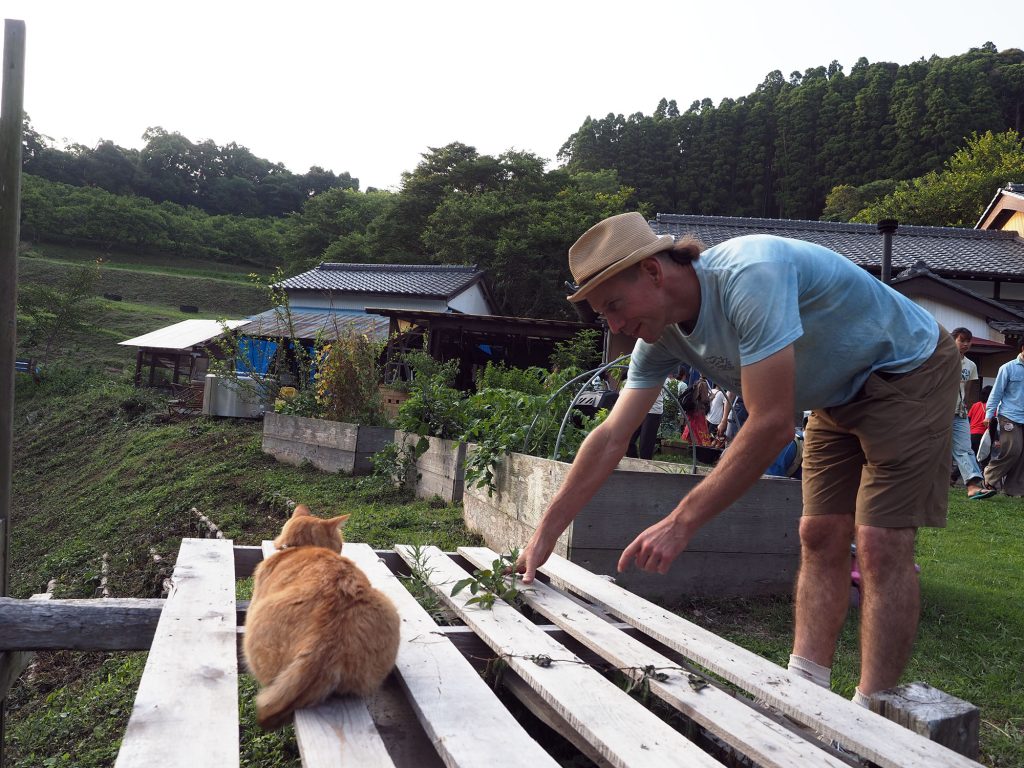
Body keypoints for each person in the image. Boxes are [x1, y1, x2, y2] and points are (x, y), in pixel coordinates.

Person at [515, 212, 959, 705]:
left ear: (655, 273)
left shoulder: (749, 276)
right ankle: (804, 694)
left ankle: (872, 712)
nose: (615, 325)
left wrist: (681, 521)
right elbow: (611, 436)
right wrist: (545, 533)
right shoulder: (659, 335)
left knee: (878, 542)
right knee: (818, 533)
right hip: (833, 392)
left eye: (615, 305)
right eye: (603, 315)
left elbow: (770, 424)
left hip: (907, 367)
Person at [949, 328, 994, 500]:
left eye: (969, 341)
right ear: (953, 340)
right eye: (962, 340)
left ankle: (973, 486)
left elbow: (966, 390)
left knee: (965, 450)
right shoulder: (941, 359)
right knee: (930, 447)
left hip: (959, 413)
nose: (966, 344)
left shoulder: (970, 365)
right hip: (938, 411)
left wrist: (964, 407)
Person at [983, 340, 1024, 495]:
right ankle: (989, 477)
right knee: (1013, 450)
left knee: (1022, 455)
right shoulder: (1008, 368)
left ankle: (1014, 490)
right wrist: (989, 414)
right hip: (1009, 415)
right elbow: (996, 393)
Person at [970, 385, 992, 469]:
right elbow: (992, 423)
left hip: (971, 434)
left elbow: (969, 418)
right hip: (983, 435)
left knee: (971, 457)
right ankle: (986, 479)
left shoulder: (975, 405)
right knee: (985, 458)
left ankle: (954, 476)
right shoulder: (991, 408)